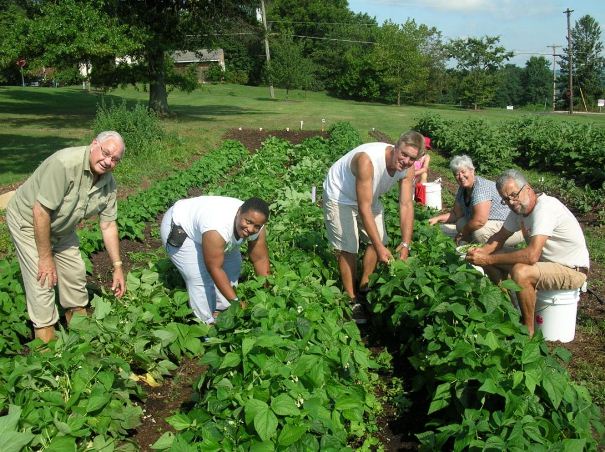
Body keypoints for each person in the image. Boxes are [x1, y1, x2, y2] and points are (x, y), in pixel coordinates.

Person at [6, 131, 126, 343]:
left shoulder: (108, 183)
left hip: (62, 228)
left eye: (114, 159)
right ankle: (47, 353)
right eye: (105, 153)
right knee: (43, 282)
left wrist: (117, 266)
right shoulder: (64, 164)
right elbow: (40, 212)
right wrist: (45, 258)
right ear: (94, 144)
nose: (108, 161)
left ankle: (82, 342)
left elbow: (108, 225)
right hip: (28, 221)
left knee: (75, 275)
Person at [466, 169, 589, 336]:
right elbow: (498, 238)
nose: (511, 202)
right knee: (490, 257)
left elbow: (532, 255)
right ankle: (510, 309)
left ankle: (528, 330)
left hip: (571, 269)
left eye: (514, 195)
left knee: (520, 271)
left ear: (528, 188)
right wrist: (479, 253)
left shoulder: (545, 208)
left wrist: (488, 259)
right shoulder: (519, 211)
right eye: (505, 199)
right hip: (548, 264)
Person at [322, 131, 425, 321]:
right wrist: (380, 248)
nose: (406, 161)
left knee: (378, 239)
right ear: (395, 147)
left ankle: (364, 286)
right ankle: (351, 300)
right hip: (340, 195)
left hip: (368, 195)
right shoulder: (367, 161)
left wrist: (405, 244)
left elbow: (406, 204)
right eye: (403, 154)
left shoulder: (408, 168)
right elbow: (364, 208)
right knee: (348, 246)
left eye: (412, 158)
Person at [160, 196, 270, 323]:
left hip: (207, 227)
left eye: (256, 226)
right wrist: (237, 302)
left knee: (233, 267)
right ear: (239, 212)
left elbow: (260, 259)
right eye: (248, 222)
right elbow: (214, 268)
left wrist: (268, 295)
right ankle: (206, 323)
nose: (251, 229)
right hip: (181, 227)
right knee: (199, 277)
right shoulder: (218, 226)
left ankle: (223, 311)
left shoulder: (256, 222)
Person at [428, 155, 523, 247]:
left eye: (463, 172)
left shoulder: (481, 188)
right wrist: (437, 219)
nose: (461, 176)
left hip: (511, 226)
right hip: (491, 224)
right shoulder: (462, 189)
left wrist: (462, 234)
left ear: (472, 171)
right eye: (457, 174)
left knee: (479, 233)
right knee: (461, 223)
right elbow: (456, 214)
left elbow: (479, 221)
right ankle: (478, 245)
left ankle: (497, 251)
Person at [413, 136, 432, 204]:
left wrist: (415, 173)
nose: (424, 150)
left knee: (424, 174)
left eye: (426, 148)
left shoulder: (426, 157)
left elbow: (425, 168)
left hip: (418, 177)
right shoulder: (414, 155)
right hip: (410, 175)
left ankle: (420, 198)